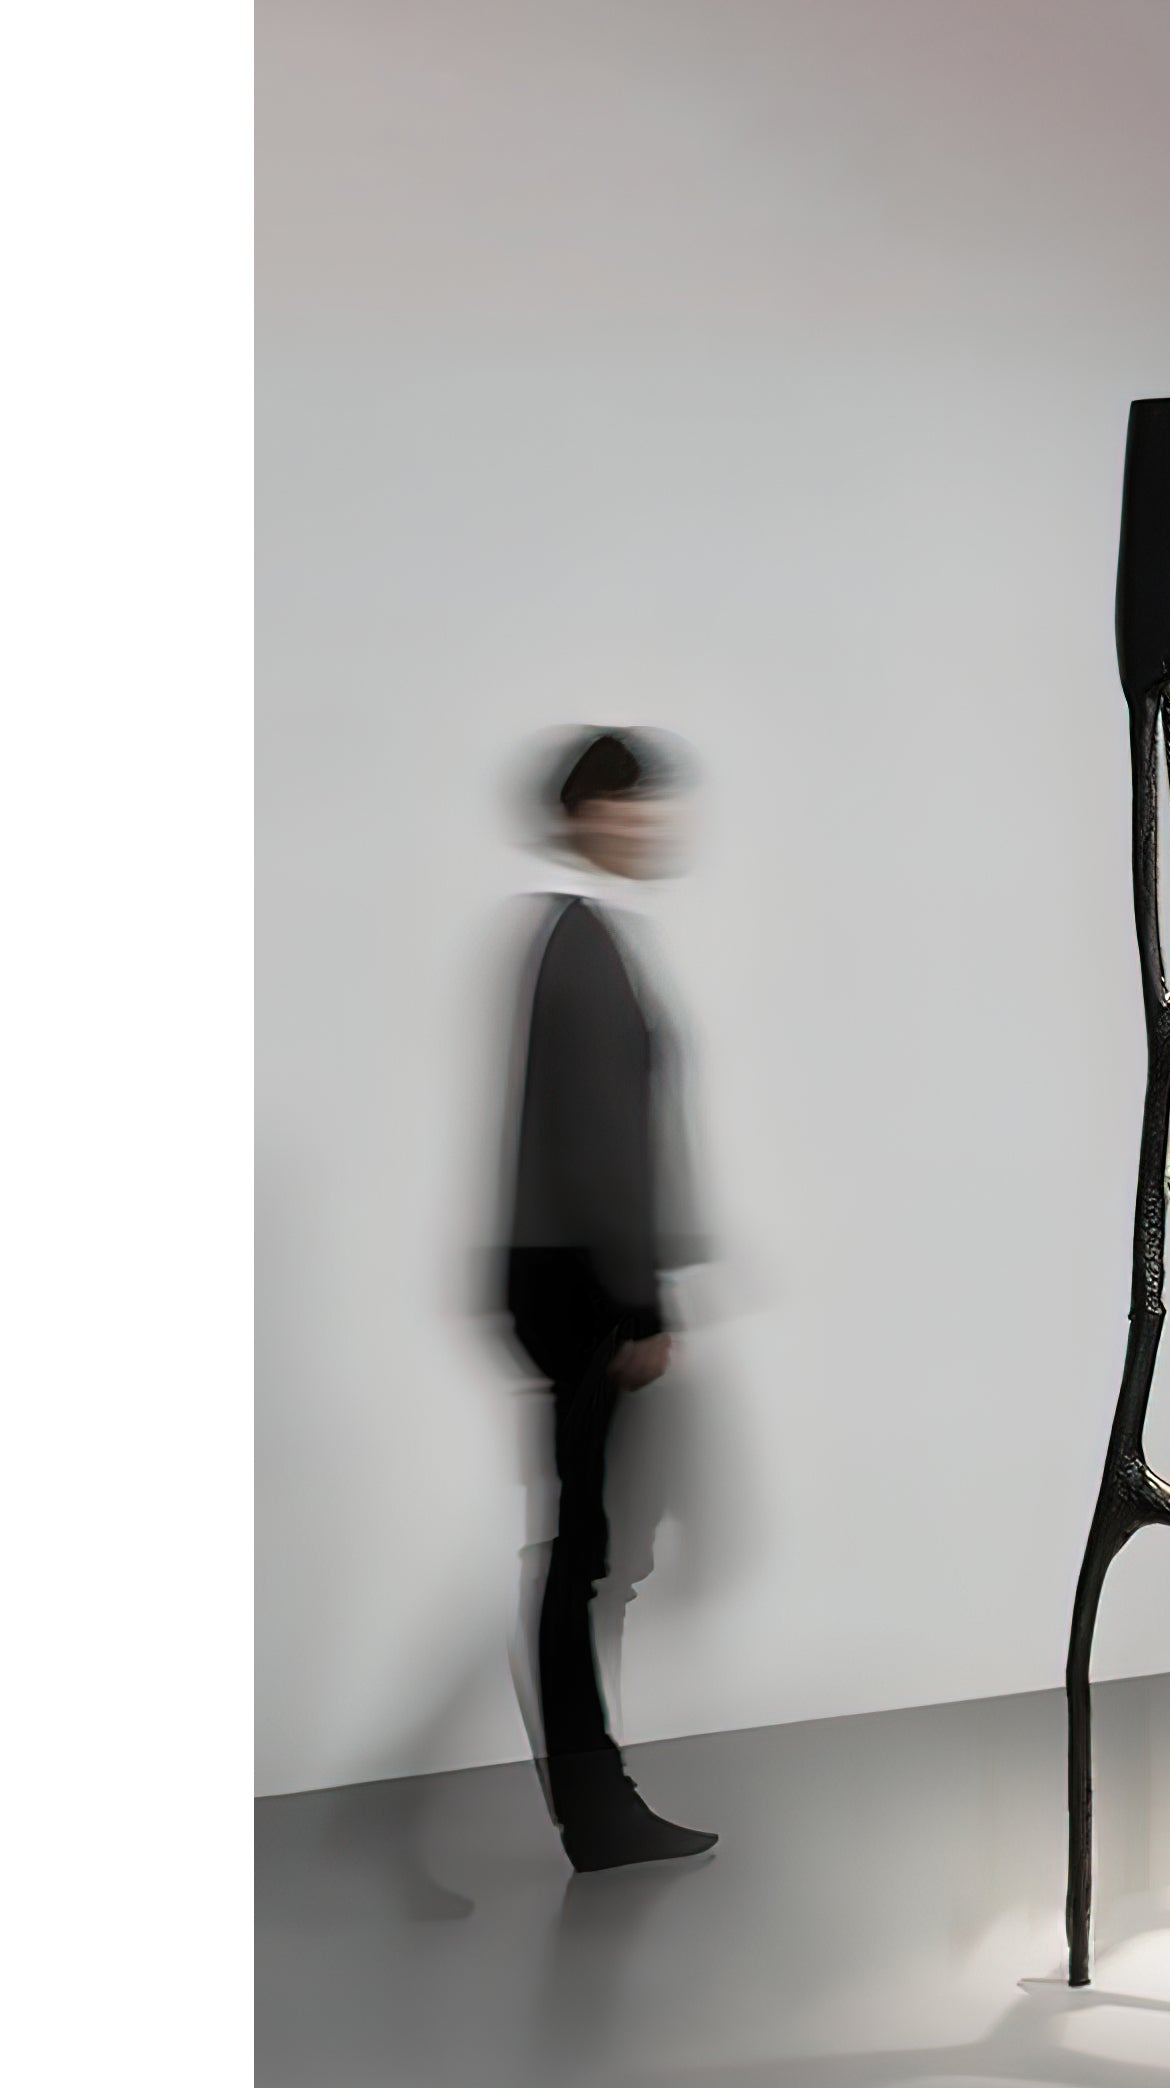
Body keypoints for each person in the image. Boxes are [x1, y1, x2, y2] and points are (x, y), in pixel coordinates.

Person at [503, 727, 717, 1871]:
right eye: (630, 804)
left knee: (581, 1550)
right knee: (580, 1556)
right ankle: (596, 1811)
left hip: (564, 1272)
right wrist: (642, 1303)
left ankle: (596, 1807)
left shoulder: (574, 938)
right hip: (582, 1279)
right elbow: (599, 1149)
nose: (649, 823)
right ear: (585, 814)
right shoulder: (581, 943)